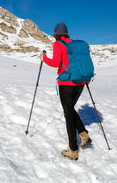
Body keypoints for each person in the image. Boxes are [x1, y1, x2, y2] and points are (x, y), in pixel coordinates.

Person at [40, 22, 92, 160]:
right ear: (67, 33)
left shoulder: (58, 44)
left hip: (66, 83)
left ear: (56, 34)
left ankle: (73, 150)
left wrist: (43, 58)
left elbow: (56, 63)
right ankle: (83, 134)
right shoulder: (74, 44)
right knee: (70, 109)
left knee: (68, 113)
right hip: (80, 82)